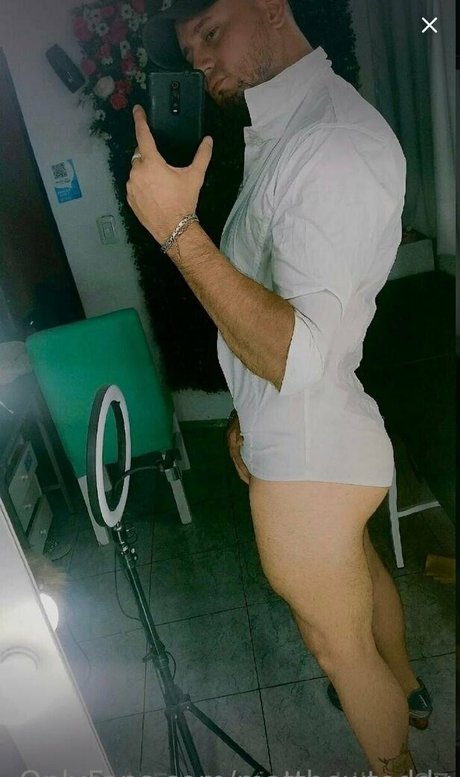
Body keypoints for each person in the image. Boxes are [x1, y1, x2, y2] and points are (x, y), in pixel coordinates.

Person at [127, 1, 432, 773]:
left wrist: (176, 231)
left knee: (339, 652)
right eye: (189, 45)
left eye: (210, 31)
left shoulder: (328, 145)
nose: (199, 57)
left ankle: (396, 760)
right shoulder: (291, 128)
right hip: (324, 429)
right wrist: (246, 410)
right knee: (361, 579)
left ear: (270, 8)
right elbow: (283, 321)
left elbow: (294, 355)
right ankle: (407, 687)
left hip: (307, 456)